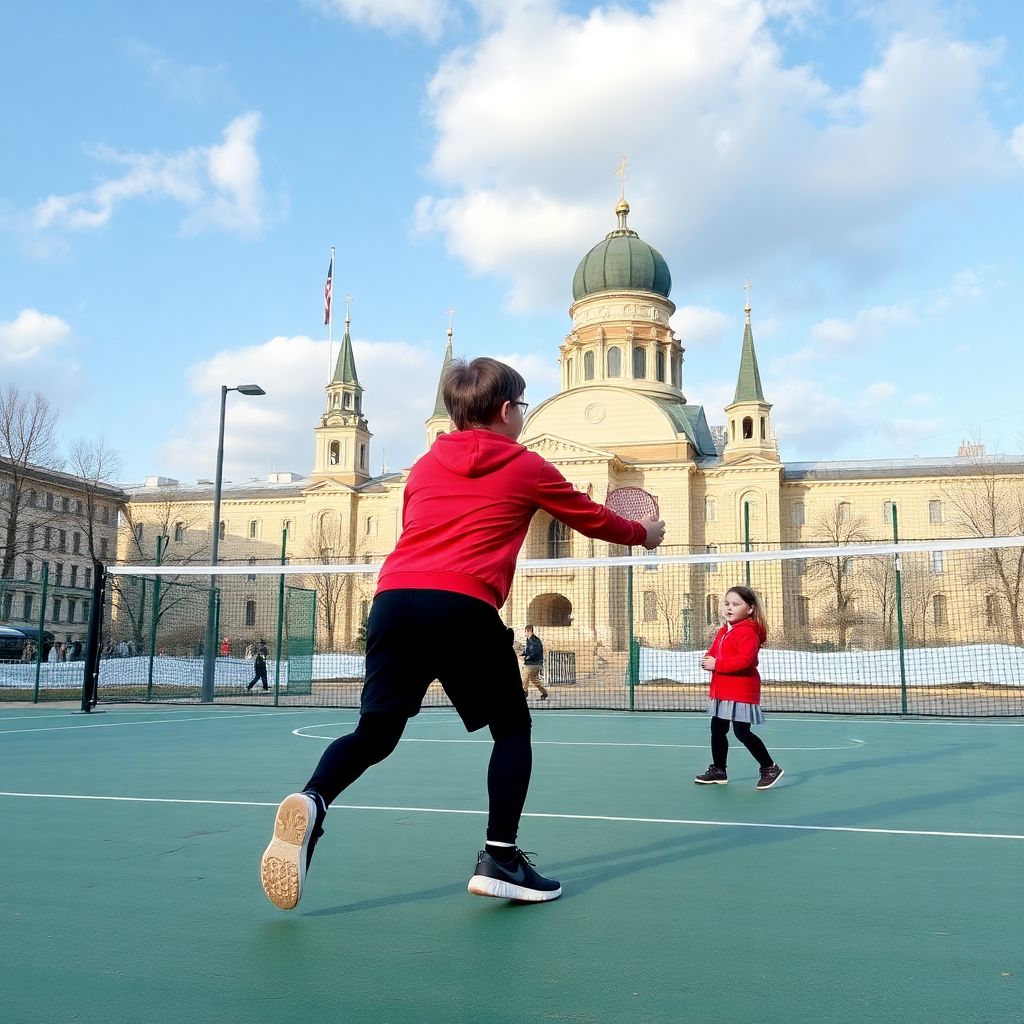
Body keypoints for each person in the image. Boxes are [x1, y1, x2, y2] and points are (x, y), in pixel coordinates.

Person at [260, 356, 666, 910]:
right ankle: (500, 857)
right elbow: (590, 517)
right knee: (512, 729)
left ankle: (313, 799)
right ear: (505, 410)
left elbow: (416, 528)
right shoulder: (527, 466)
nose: (523, 414)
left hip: (394, 601)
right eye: (521, 405)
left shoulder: (424, 467)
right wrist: (644, 533)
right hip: (461, 605)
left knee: (374, 735)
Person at [694, 586, 783, 790]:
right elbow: (713, 652)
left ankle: (770, 767)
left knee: (742, 732)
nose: (729, 607)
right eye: (727, 604)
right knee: (717, 729)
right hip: (722, 690)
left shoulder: (748, 632)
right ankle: (718, 770)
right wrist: (709, 659)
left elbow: (746, 661)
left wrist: (717, 664)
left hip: (741, 691)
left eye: (736, 604)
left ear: (750, 608)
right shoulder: (724, 631)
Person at [521, 625, 548, 700]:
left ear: (528, 631)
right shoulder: (529, 640)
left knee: (524, 676)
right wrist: (523, 654)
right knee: (534, 679)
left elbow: (534, 652)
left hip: (533, 664)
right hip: (536, 664)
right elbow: (528, 651)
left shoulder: (534, 641)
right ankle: (544, 692)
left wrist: (526, 657)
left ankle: (524, 692)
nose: (525, 634)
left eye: (525, 632)